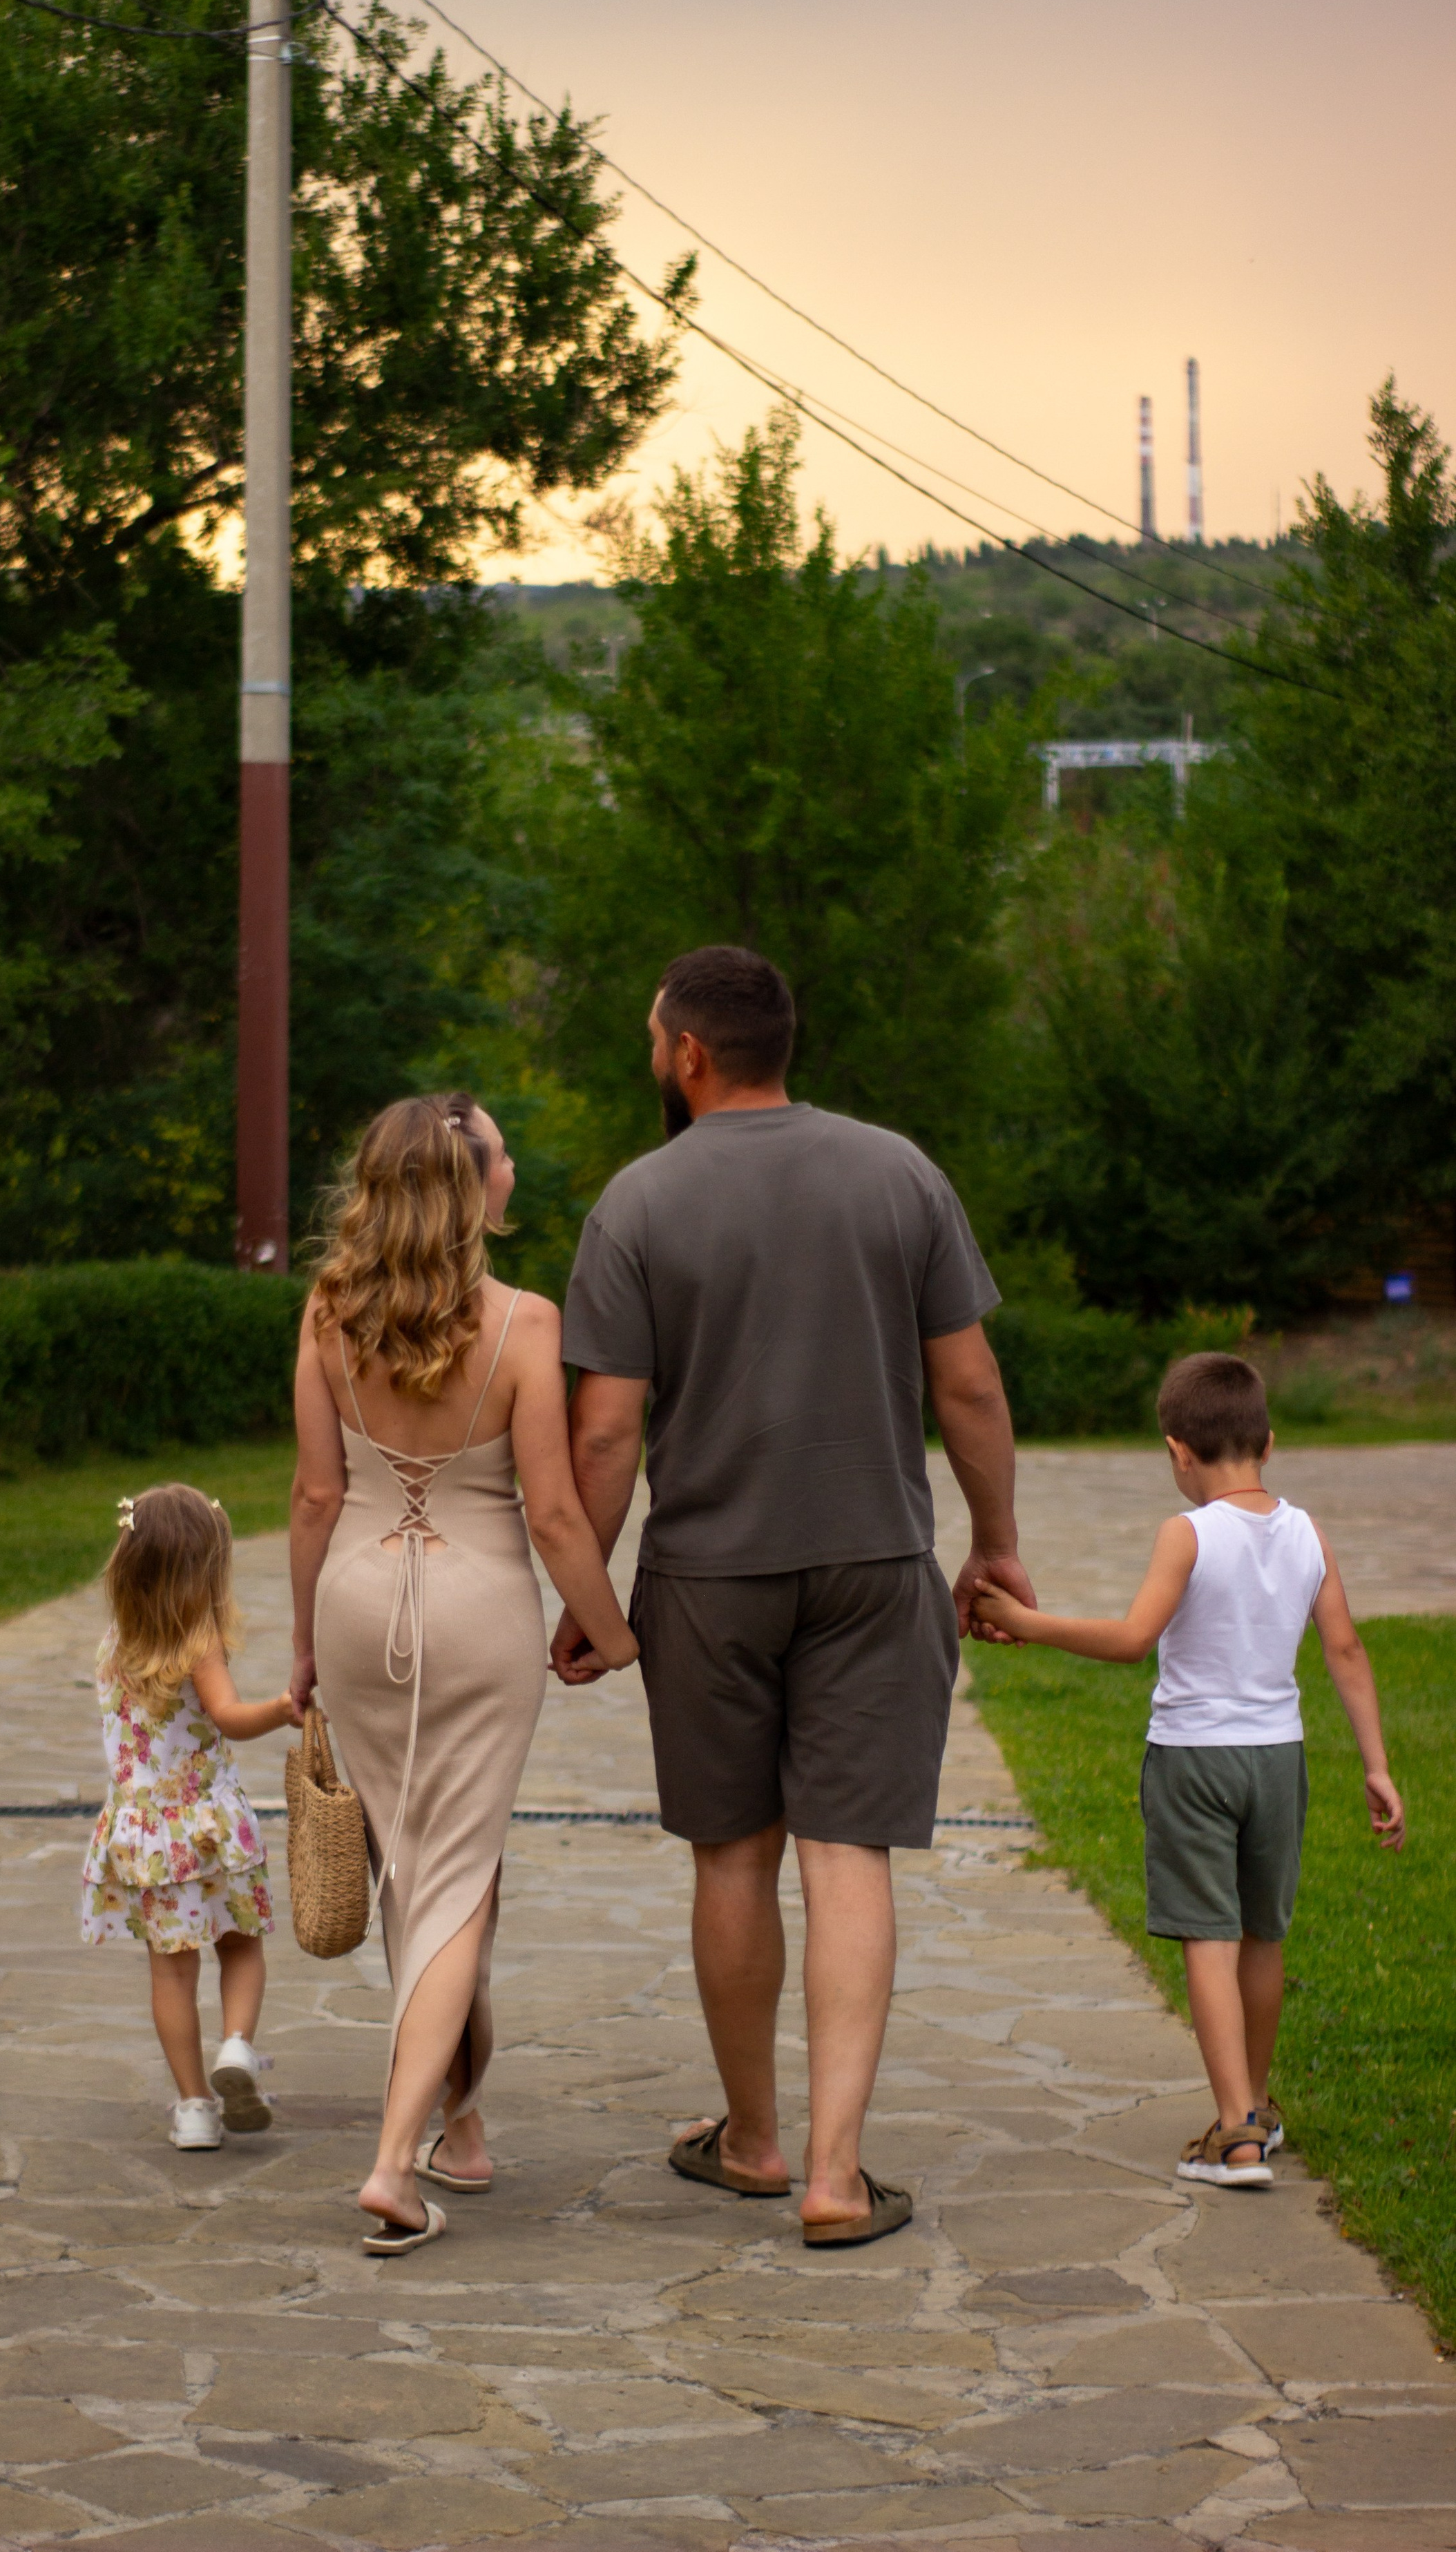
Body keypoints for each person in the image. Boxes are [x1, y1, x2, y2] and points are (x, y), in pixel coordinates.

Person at [554, 946, 1033, 2249]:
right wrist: (992, 1541)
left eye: (656, 1038)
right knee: (848, 1853)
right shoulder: (899, 1174)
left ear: (689, 1054)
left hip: (707, 1577)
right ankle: (837, 2175)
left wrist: (588, 1599)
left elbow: (603, 1441)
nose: (654, 1055)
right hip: (876, 1563)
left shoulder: (637, 1205)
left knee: (735, 1855)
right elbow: (974, 1389)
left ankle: (753, 2141)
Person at [289, 1092, 639, 2256]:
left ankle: (465, 2124)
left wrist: (301, 1645)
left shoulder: (330, 1311)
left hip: (354, 1607)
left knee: (417, 1873)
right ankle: (395, 2162)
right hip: (480, 1614)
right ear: (468, 1188)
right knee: (456, 1883)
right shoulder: (527, 1326)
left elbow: (315, 1498)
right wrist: (612, 1630)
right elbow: (551, 1510)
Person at [974, 1350, 1405, 2187]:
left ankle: (1237, 2135)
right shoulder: (1306, 1530)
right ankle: (1256, 2107)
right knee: (1260, 1935)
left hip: (1193, 1759)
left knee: (1207, 1940)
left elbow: (1134, 1639)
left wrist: (1027, 1622)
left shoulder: (1188, 1532)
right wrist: (1377, 1764)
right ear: (1269, 1443)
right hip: (1277, 1759)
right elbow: (1344, 1648)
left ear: (1177, 1451)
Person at [81, 1483, 299, 2151]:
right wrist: (285, 1707)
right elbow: (230, 1717)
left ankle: (196, 2107)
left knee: (171, 1972)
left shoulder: (115, 1645)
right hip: (208, 1830)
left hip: (145, 1836)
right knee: (241, 1944)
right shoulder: (198, 1639)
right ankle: (235, 2047)